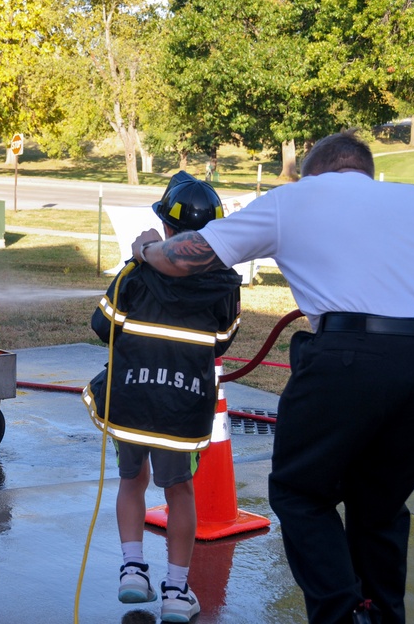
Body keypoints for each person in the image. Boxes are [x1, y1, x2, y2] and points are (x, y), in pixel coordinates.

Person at [130, 132, 414, 624]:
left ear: (314, 171)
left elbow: (184, 257)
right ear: (364, 170)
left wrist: (147, 249)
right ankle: (382, 615)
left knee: (302, 493)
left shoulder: (296, 197)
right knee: (380, 503)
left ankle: (340, 616)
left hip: (350, 358)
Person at [82, 172, 241, 624]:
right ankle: (175, 591)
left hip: (131, 399)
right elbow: (223, 342)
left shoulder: (136, 271)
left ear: (165, 229)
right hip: (182, 406)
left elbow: (102, 327)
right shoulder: (226, 284)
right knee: (179, 490)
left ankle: (133, 570)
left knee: (131, 480)